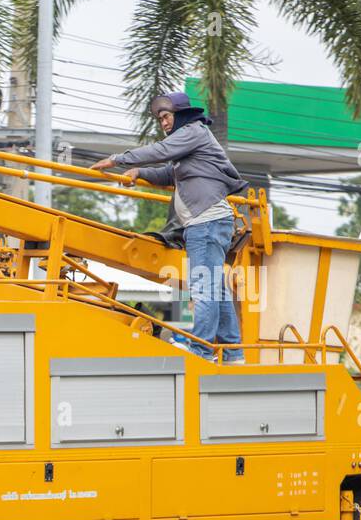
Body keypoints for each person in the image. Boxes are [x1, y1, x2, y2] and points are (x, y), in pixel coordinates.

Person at [90, 92, 246, 364]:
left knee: (204, 290)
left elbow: (160, 151)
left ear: (181, 114)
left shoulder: (192, 131)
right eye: (160, 119)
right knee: (216, 290)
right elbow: (168, 173)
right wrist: (140, 173)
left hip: (206, 223)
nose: (163, 123)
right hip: (208, 222)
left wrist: (119, 159)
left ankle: (201, 351)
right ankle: (233, 355)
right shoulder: (186, 146)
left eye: (166, 116)